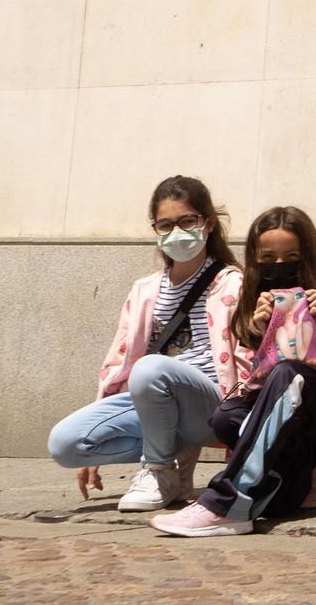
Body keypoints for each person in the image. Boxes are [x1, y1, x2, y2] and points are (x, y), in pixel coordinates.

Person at [151, 207, 316, 537]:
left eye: (291, 257)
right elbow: (265, 377)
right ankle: (310, 469)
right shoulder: (255, 298)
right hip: (296, 401)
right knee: (226, 418)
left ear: (307, 257)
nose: (279, 265)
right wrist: (262, 331)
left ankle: (227, 503)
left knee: (291, 374)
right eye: (268, 258)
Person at [48, 176, 246, 512]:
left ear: (208, 224)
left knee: (151, 369)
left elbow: (248, 354)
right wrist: (100, 419)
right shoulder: (145, 290)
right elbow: (118, 361)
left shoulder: (233, 282)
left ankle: (158, 470)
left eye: (187, 221)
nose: (176, 232)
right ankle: (173, 460)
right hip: (154, 395)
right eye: (165, 225)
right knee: (66, 444)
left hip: (209, 403)